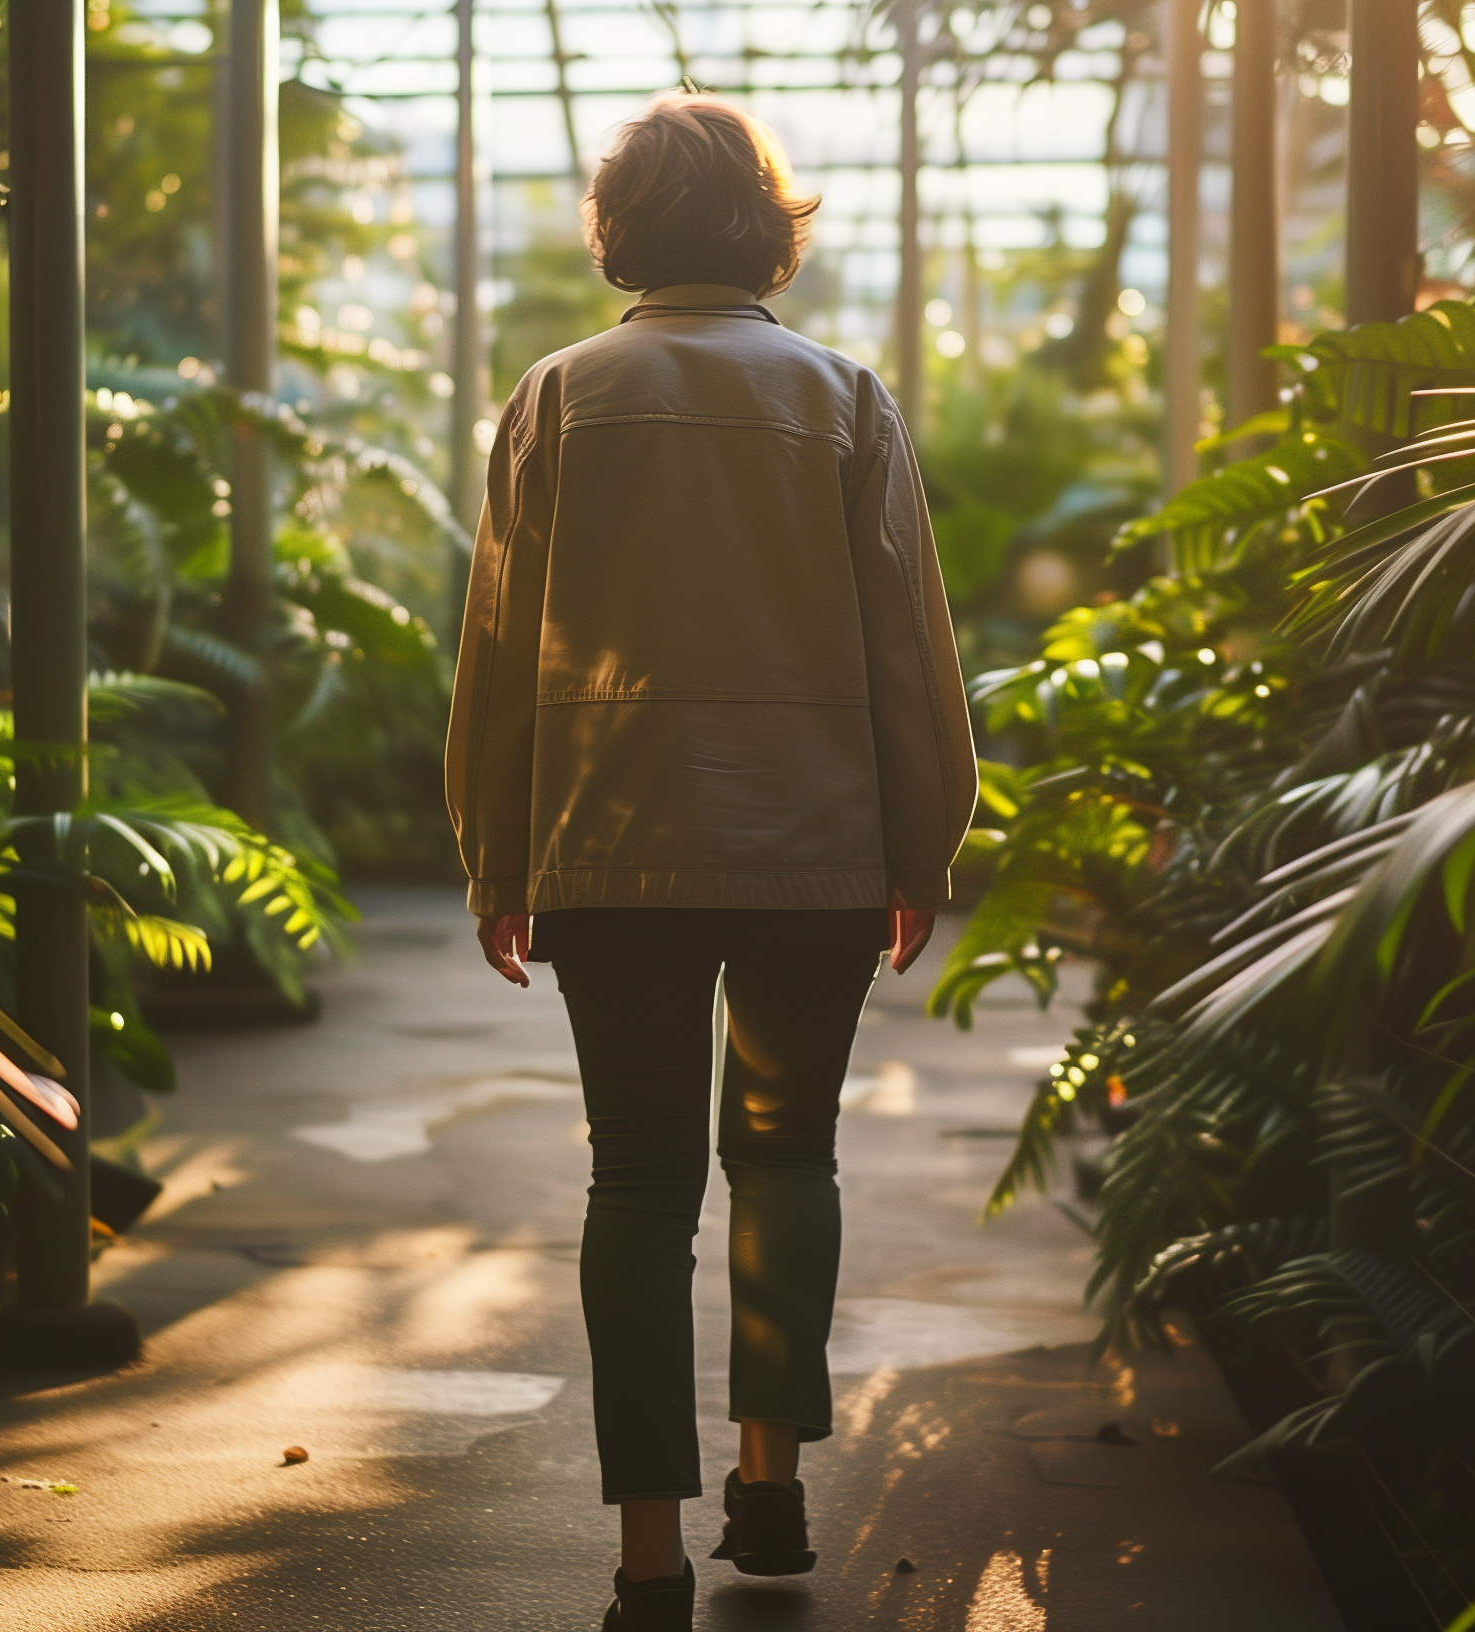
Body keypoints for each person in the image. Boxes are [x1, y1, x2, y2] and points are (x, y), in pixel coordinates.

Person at [444, 91, 977, 1632]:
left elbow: (496, 647)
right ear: (766, 223)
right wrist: (919, 841)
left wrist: (496, 849)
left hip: (613, 851)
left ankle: (648, 1565)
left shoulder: (556, 397)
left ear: (620, 228)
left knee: (639, 1180)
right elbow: (909, 651)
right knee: (787, 1157)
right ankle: (772, 1494)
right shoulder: (846, 400)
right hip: (813, 847)